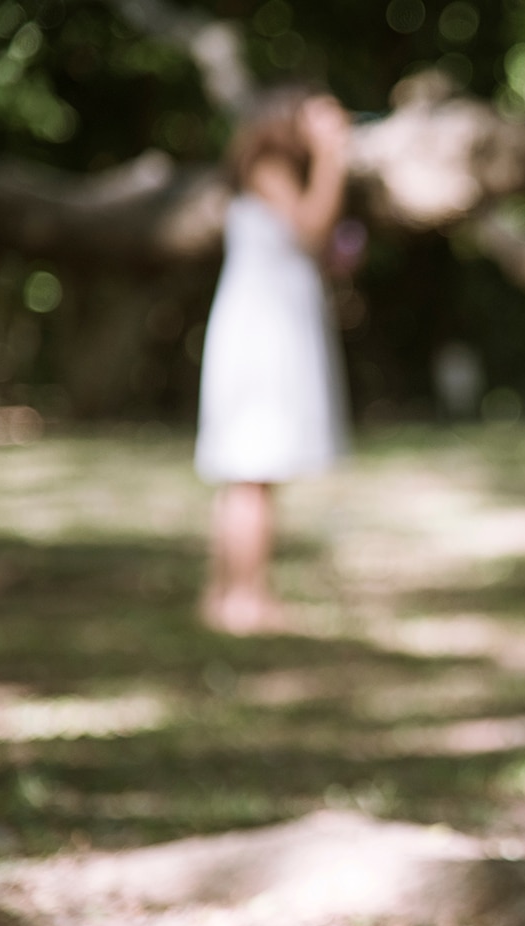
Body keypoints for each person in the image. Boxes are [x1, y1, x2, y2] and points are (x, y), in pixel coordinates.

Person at [194, 84, 352, 634]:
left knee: (250, 472)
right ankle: (245, 598)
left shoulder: (271, 173)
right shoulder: (267, 165)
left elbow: (310, 242)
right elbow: (310, 230)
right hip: (263, 336)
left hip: (267, 327)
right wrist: (333, 158)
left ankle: (228, 594)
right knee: (252, 469)